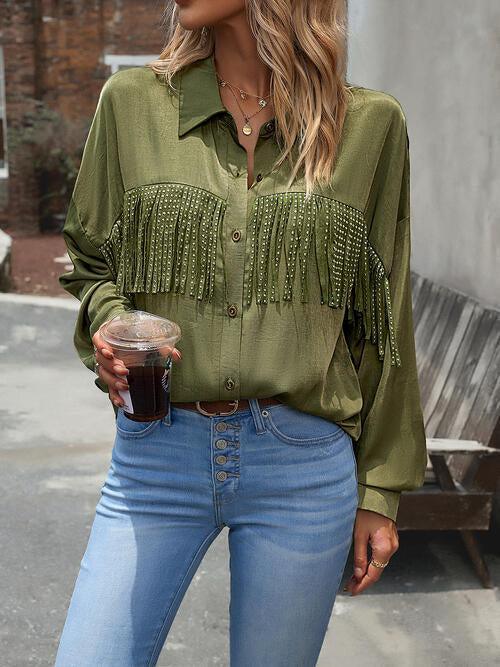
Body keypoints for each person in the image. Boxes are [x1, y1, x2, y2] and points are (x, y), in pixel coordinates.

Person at [54, 1, 428, 665]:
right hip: (157, 456)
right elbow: (90, 262)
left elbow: (385, 316)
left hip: (303, 465)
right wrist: (110, 319)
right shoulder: (133, 104)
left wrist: (380, 491)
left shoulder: (370, 126)